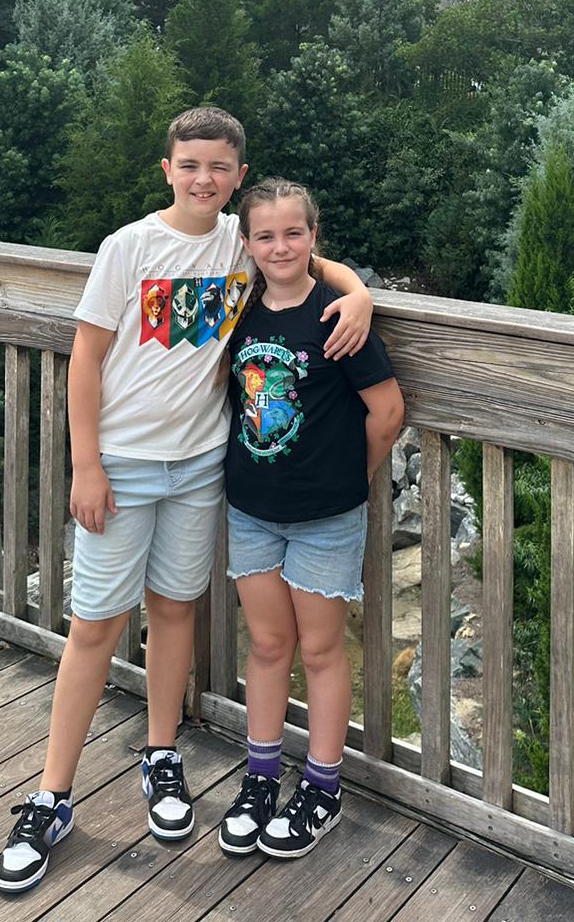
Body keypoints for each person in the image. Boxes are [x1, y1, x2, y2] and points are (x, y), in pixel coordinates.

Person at [0, 108, 373, 895]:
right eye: (190, 163)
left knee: (174, 611)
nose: (204, 178)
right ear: (167, 168)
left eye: (219, 167)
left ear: (238, 175)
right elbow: (86, 359)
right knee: (95, 623)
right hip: (125, 466)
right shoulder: (128, 248)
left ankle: (161, 756)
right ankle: (52, 796)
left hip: (202, 465)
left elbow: (305, 255)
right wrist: (86, 464)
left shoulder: (240, 240)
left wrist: (359, 291)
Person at [217, 178, 403, 861]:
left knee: (321, 651)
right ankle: (261, 777)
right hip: (253, 511)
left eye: (293, 233)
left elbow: (387, 413)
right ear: (247, 245)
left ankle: (323, 786)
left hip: (325, 515)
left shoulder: (338, 317)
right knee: (267, 646)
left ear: (313, 238)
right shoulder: (239, 311)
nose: (280, 246)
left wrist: (346, 482)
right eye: (264, 235)